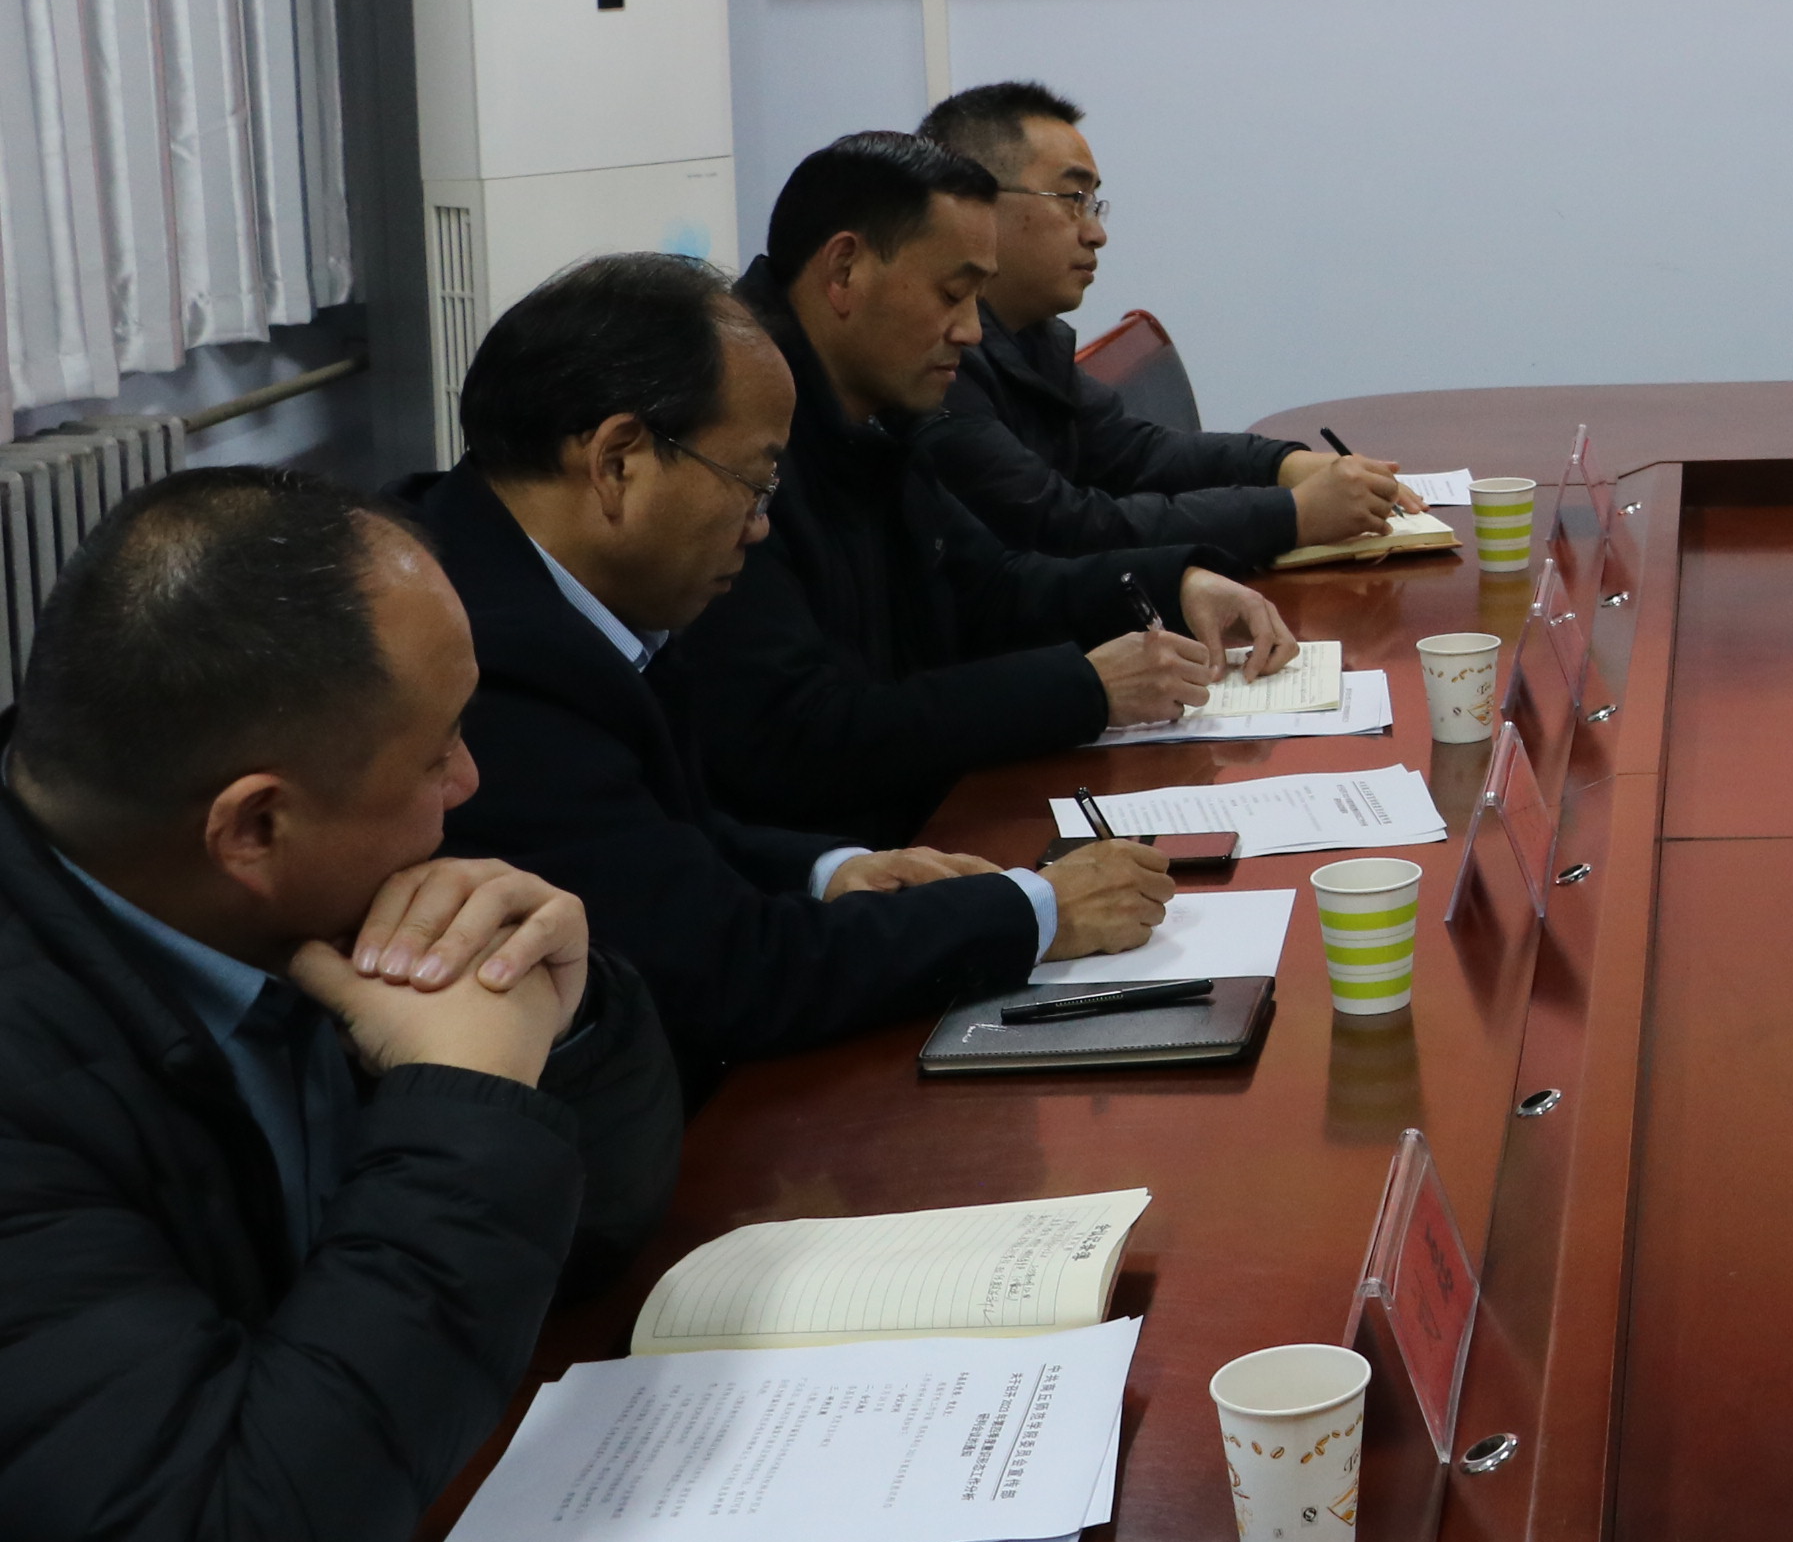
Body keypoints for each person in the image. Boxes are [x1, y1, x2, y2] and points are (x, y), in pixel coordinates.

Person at [0, 467, 683, 1542]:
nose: (470, 779)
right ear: (256, 827)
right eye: (437, 750)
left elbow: (591, 1239)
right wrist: (466, 1102)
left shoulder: (279, 896)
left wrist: (560, 1032)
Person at [429, 253, 1177, 1094]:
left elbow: (664, 840)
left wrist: (830, 871)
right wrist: (1038, 911)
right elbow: (727, 972)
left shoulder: (525, 571)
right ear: (617, 463)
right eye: (752, 485)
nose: (759, 527)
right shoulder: (484, 660)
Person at [668, 131, 1298, 845]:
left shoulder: (872, 410)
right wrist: (1084, 689)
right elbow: (795, 736)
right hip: (829, 864)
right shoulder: (728, 438)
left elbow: (991, 587)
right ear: (844, 270)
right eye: (952, 293)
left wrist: (1176, 581)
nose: (971, 331)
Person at [913, 81, 1412, 563]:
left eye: (1094, 203)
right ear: (976, 203)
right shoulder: (939, 364)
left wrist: (1284, 465)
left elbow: (1136, 453)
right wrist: (1292, 514)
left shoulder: (1031, 336)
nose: (1096, 233)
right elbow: (1063, 527)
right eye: (1072, 199)